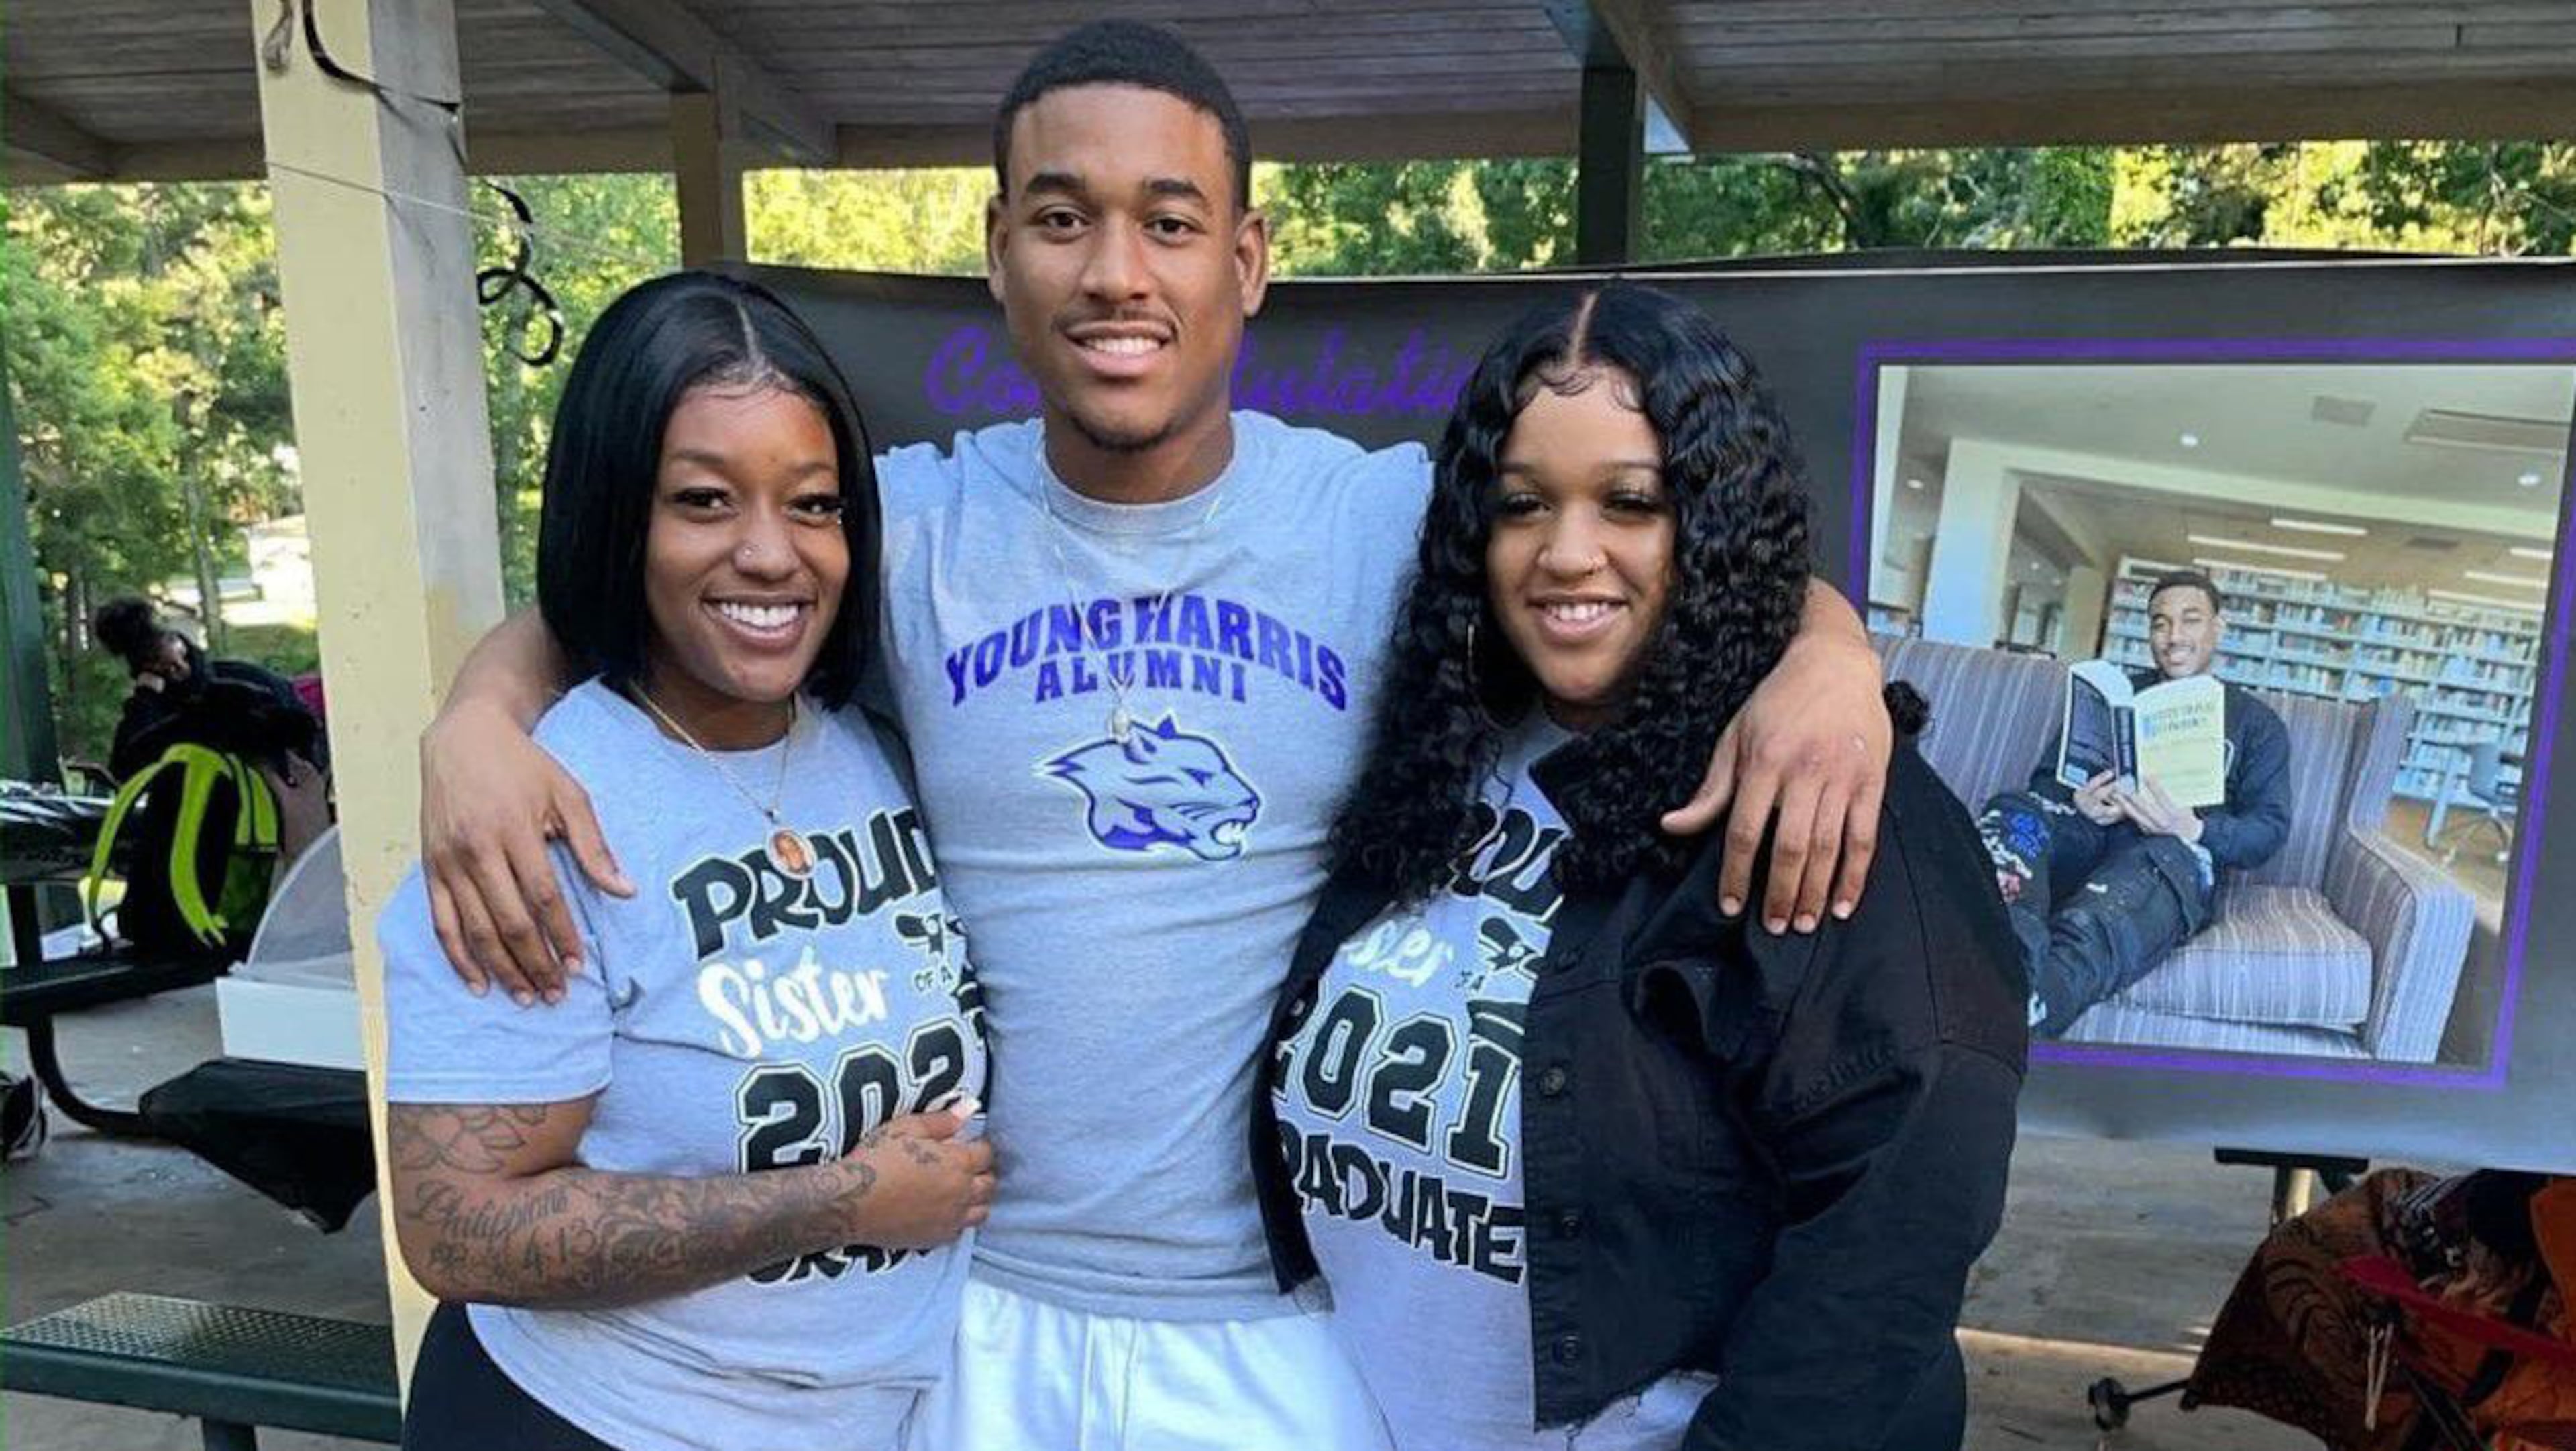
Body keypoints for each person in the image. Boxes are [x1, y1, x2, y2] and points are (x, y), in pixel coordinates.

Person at [415, 23, 1895, 1447]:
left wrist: (1829, 660)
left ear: (1246, 261)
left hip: (1278, 1319)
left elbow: (1646, 566)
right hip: (973, 1307)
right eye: (1064, 218)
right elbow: (655, 581)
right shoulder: (903, 525)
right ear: (998, 251)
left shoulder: (1374, 522)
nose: (1115, 272)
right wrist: (478, 719)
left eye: (1169, 222)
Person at [1253, 283, 2025, 1451]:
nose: (1569, 554)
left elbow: (1887, 1253)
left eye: (1632, 501)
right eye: (1522, 504)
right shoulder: (1453, 741)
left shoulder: (1822, 799)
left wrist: (1826, 650)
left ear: (1710, 519)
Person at [376, 272, 994, 1451]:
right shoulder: (539, 813)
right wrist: (844, 1199)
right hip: (592, 1420)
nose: (773, 554)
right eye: (704, 501)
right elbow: (458, 1224)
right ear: (622, 517)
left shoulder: (875, 738)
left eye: (813, 506)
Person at [1978, 569, 2292, 1038]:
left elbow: (2268, 828)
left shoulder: (2257, 724)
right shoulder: (2116, 697)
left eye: (2190, 620)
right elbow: (2047, 781)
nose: (2174, 637)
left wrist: (2194, 830)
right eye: (2160, 623)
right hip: (2089, 832)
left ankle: (2020, 1012)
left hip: (2170, 854)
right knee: (2016, 809)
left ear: (2218, 628)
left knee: (2100, 918)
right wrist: (2076, 800)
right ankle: (1995, 957)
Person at [91, 595, 321, 780]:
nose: (176, 669)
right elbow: (125, 768)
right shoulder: (150, 713)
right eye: (157, 664)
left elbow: (306, 739)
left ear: (179, 643)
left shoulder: (247, 683)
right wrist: (145, 699)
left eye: (175, 659)